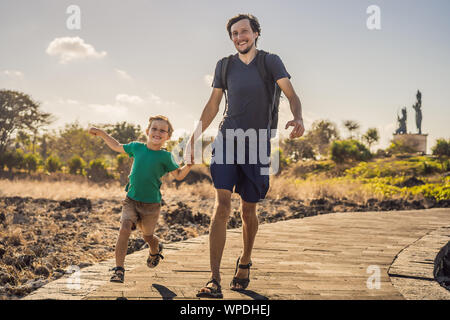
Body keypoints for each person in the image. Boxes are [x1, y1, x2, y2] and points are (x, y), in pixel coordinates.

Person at [186, 14, 305, 298]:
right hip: (227, 140)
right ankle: (214, 280)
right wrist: (193, 139)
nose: (239, 37)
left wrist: (298, 116)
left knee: (248, 210)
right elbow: (213, 104)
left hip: (258, 144)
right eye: (234, 34)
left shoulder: (270, 61)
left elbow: (291, 94)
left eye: (244, 32)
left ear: (255, 34)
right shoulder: (224, 66)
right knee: (222, 205)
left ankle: (245, 260)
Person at [89, 115, 193, 283]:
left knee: (148, 236)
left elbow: (179, 175)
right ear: (147, 131)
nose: (157, 133)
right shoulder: (137, 147)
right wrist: (101, 133)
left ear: (168, 136)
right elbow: (116, 145)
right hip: (131, 200)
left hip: (151, 206)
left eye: (162, 130)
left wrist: (188, 165)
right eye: (154, 129)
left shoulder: (165, 157)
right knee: (124, 228)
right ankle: (119, 270)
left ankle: (155, 249)